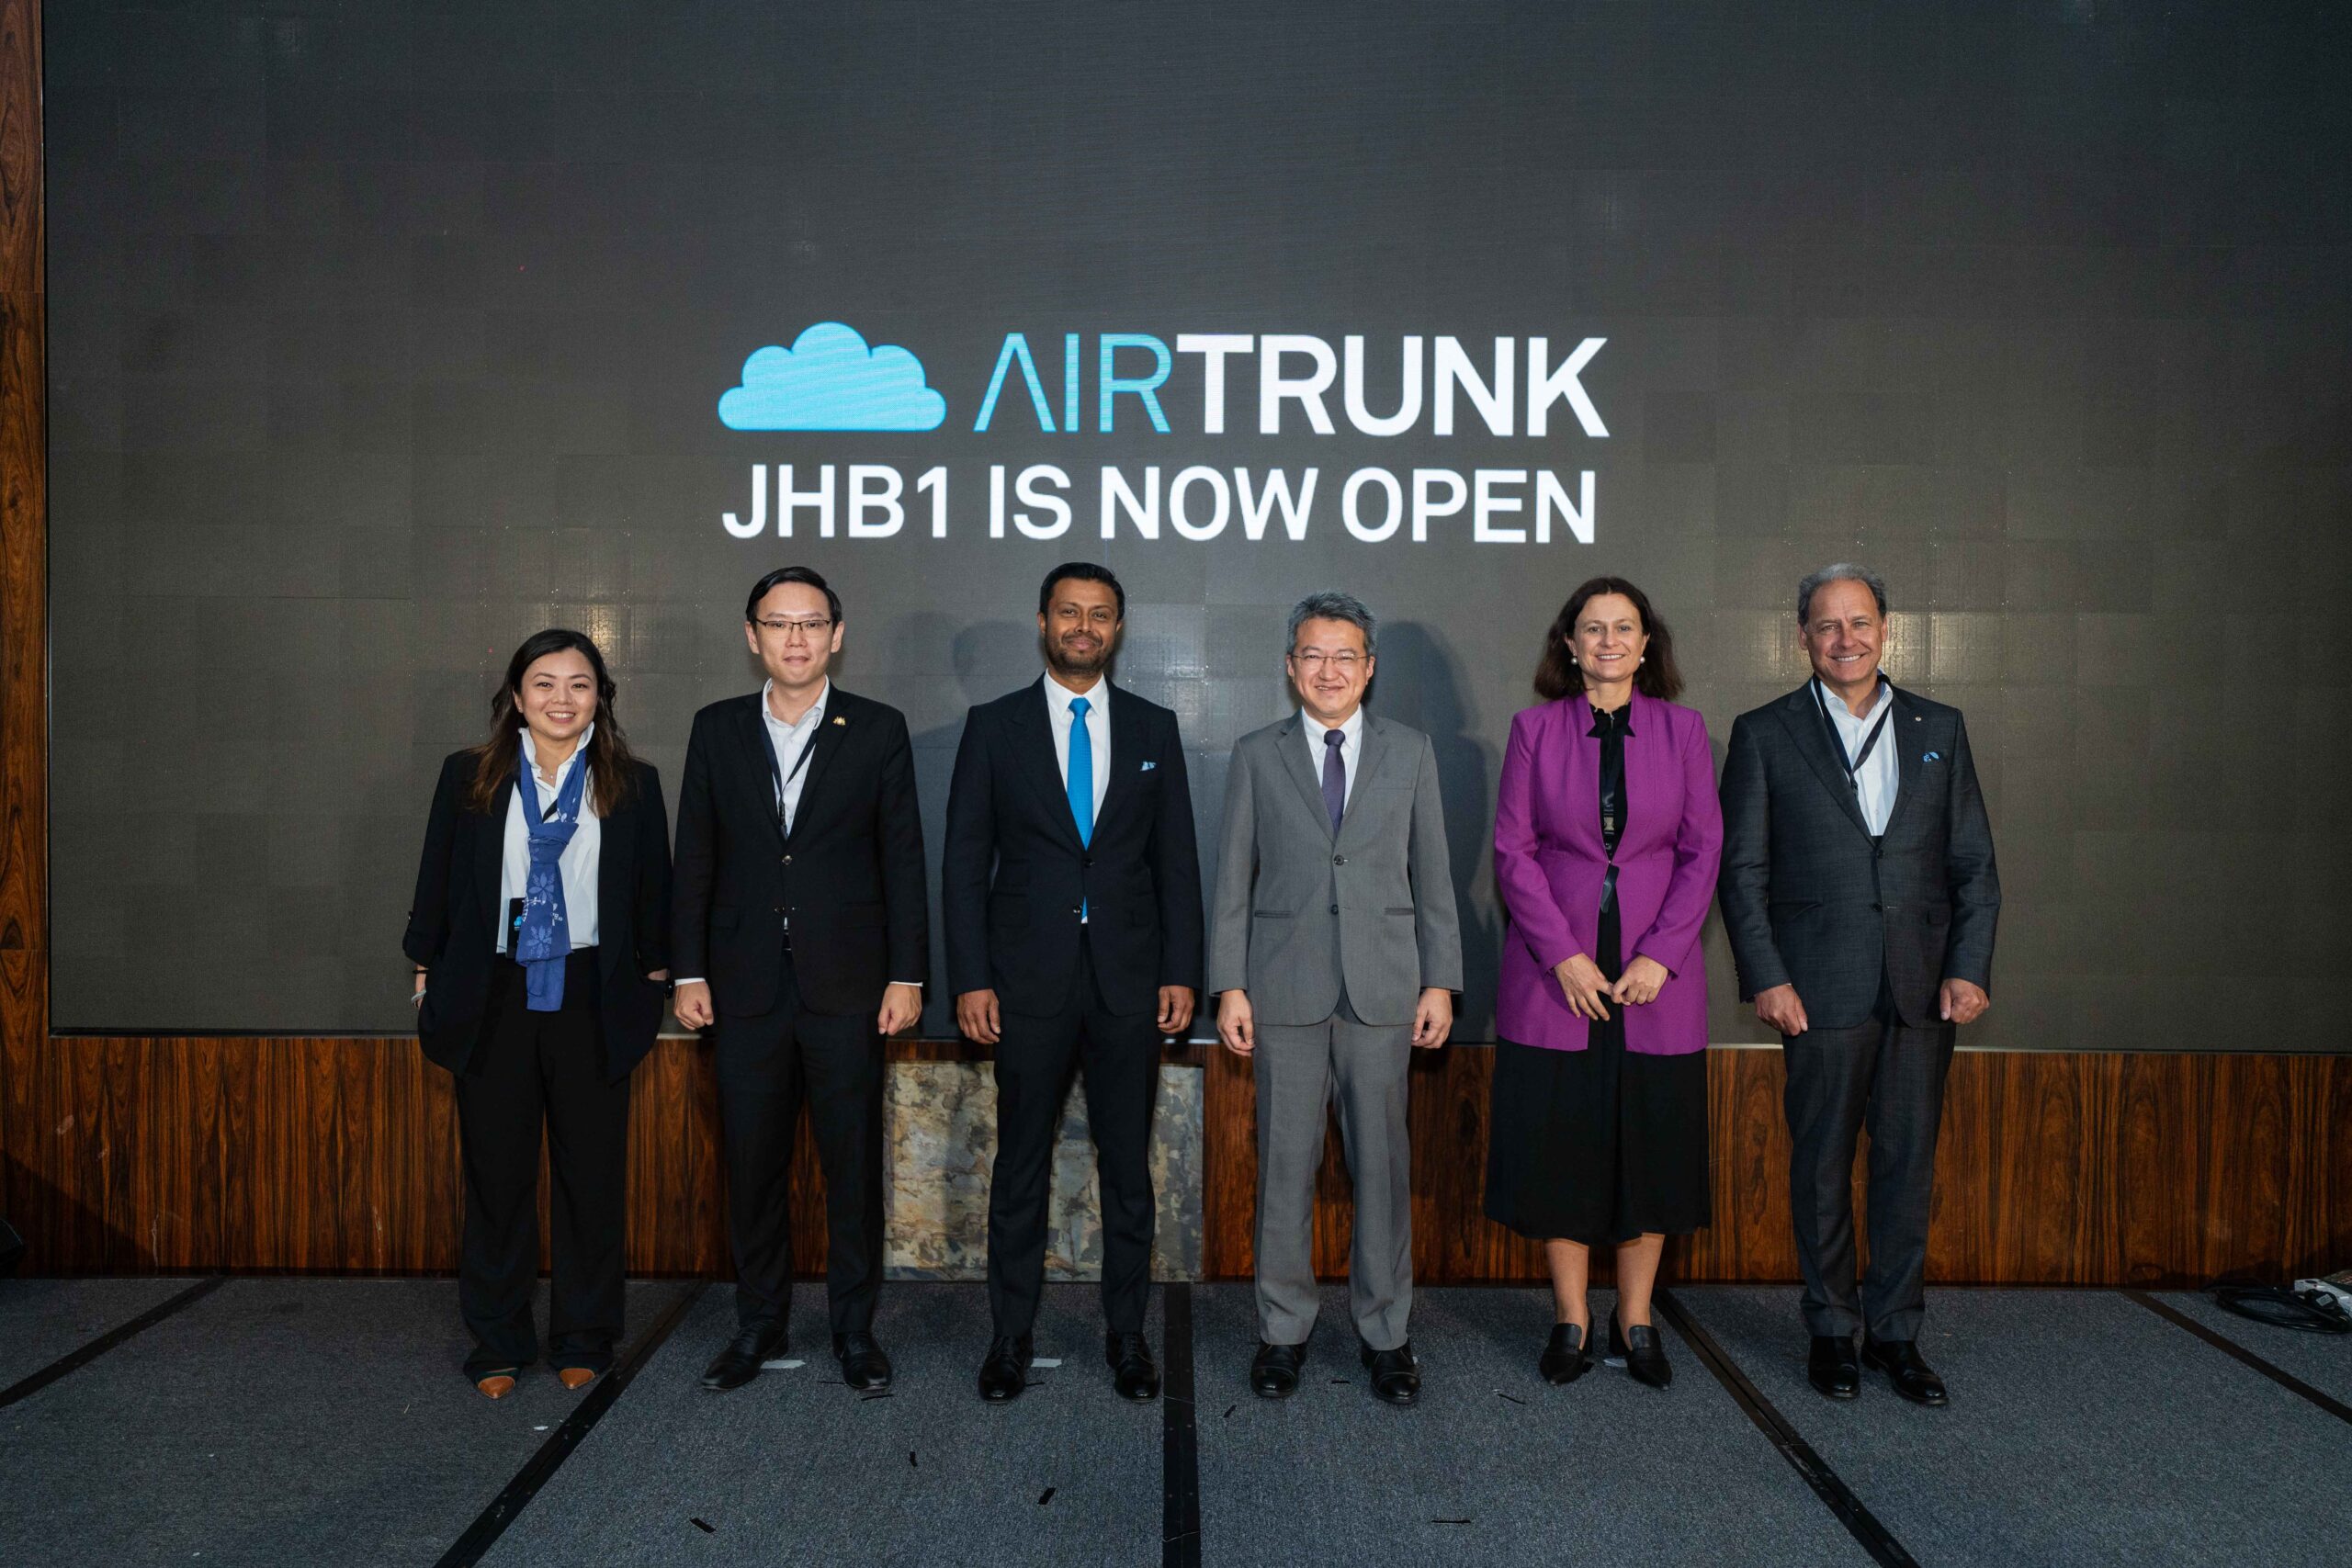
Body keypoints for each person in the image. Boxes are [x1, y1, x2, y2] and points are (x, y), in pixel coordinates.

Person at [1718, 563, 2000, 1407]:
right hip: (1816, 988)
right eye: (1828, 624)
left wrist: (1968, 965)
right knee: (1821, 1167)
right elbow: (1742, 872)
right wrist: (1767, 976)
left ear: (1886, 628)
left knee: (1907, 1166)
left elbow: (1974, 864)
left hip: (1922, 987)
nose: (1846, 638)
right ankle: (1832, 1329)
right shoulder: (1764, 732)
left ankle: (1896, 1334)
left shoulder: (1939, 726)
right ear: (1803, 636)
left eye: (1861, 621)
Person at [944, 561, 1204, 1405]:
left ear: (1117, 628)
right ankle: (1010, 1339)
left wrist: (1181, 971)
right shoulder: (994, 726)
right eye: (1069, 612)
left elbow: (1176, 863)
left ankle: (1128, 1337)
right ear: (1043, 621)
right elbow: (963, 864)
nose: (1083, 626)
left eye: (1099, 614)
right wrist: (970, 978)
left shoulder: (1156, 727)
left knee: (1128, 1169)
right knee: (1019, 1166)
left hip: (1130, 984)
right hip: (1025, 984)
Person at [671, 566, 929, 1394]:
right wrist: (687, 968)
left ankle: (855, 1330)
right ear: (752, 636)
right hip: (742, 985)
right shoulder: (716, 728)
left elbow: (903, 857)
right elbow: (694, 856)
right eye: (778, 623)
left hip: (848, 986)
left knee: (851, 1168)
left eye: (811, 623)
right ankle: (759, 1322)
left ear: (836, 635)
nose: (796, 638)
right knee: (752, 1166)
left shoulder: (877, 728)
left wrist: (908, 974)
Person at [1208, 591, 1464, 1406]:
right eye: (1313, 655)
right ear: (1291, 667)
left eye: (1344, 655)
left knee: (1381, 1170)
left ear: (1369, 667)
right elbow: (1233, 880)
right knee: (1285, 1167)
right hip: (1281, 989)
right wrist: (1229, 983)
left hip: (1384, 989)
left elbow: (1434, 875)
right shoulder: (1257, 752)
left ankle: (1386, 1333)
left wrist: (1440, 979)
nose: (1329, 670)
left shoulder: (1411, 750)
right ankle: (1282, 1330)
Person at [403, 629, 672, 1400]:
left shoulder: (632, 782)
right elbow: (437, 878)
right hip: (493, 992)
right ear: (517, 697)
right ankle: (498, 1339)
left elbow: (654, 892)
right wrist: (426, 974)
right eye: (545, 683)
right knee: (497, 1176)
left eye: (579, 684)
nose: (562, 698)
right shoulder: (470, 776)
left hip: (592, 994)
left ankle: (584, 1334)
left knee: (592, 1177)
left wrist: (652, 984)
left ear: (600, 698)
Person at [1485, 578, 1722, 1391]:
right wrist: (1562, 954)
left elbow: (1703, 850)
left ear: (1647, 645)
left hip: (1657, 982)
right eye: (1593, 628)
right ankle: (1571, 1316)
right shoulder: (1533, 731)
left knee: (1650, 1151)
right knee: (1564, 1149)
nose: (1609, 640)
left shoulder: (1684, 731)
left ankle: (1637, 1316)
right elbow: (1513, 851)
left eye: (1625, 627)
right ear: (1570, 644)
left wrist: (1662, 954)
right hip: (1558, 980)